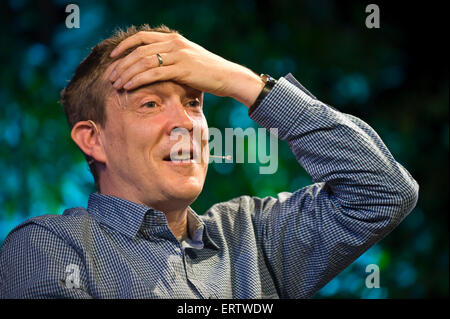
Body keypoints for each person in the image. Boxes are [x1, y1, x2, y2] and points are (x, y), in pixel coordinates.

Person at [0, 24, 418, 299]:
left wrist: (244, 82)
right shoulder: (48, 248)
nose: (185, 123)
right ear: (94, 140)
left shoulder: (255, 237)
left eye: (194, 102)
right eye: (149, 104)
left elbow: (384, 193)